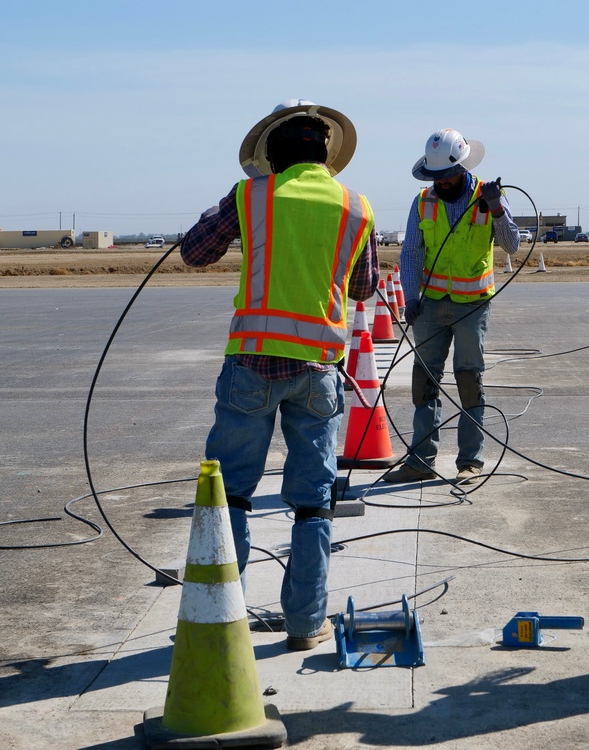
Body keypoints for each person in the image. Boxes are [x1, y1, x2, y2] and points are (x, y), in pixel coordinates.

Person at [179, 99, 379, 651]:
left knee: (231, 497)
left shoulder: (251, 196)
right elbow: (362, 288)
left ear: (272, 155)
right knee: (313, 501)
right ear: (327, 153)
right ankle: (304, 625)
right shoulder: (356, 207)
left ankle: (222, 619)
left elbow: (194, 253)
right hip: (319, 371)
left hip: (252, 365)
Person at [382, 128, 520, 485]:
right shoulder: (423, 201)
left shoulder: (489, 196)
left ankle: (470, 461)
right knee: (425, 381)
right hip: (429, 307)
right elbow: (412, 252)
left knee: (469, 378)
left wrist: (497, 209)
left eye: (446, 177)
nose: (440, 183)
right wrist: (411, 298)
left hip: (472, 305)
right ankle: (420, 461)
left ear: (462, 167)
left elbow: (513, 246)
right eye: (435, 178)